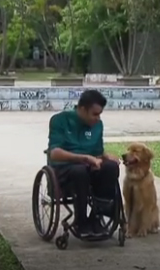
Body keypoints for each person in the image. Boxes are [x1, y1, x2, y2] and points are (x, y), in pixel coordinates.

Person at [48, 90, 120, 237]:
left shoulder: (98, 125)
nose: (97, 118)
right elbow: (54, 153)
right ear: (82, 109)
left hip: (91, 166)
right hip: (65, 168)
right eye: (94, 114)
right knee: (80, 171)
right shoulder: (60, 120)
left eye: (100, 114)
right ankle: (80, 221)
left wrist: (106, 157)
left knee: (111, 167)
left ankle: (97, 216)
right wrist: (84, 158)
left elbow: (98, 152)